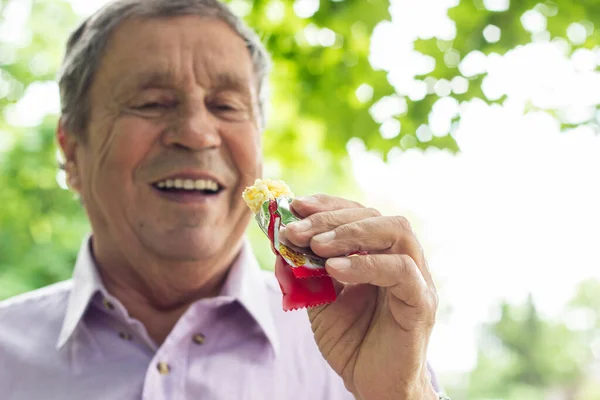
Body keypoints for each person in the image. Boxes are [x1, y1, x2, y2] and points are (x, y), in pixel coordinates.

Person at [0, 0, 445, 399]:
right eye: (152, 102)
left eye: (227, 106)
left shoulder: (361, 342)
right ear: (72, 151)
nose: (196, 133)